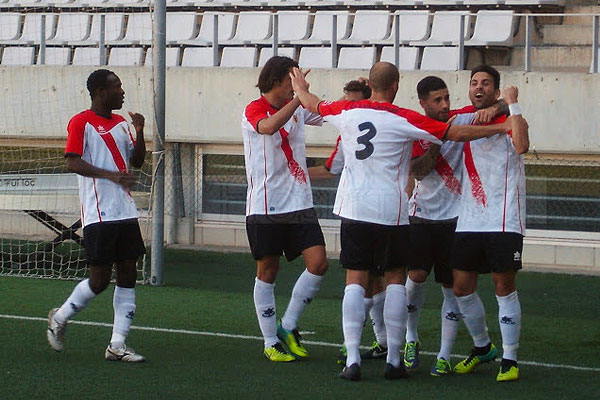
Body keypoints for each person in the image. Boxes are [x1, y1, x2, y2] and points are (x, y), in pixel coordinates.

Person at [290, 62, 518, 381]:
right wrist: (499, 127)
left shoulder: (347, 110)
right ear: (396, 86)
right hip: (392, 210)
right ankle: (395, 359)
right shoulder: (404, 118)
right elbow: (456, 132)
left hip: (354, 208)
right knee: (396, 278)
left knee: (355, 279)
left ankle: (352, 358)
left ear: (370, 84)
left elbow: (312, 103)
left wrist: (299, 87)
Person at [403, 76, 508, 376]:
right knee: (416, 275)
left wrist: (495, 106)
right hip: (421, 214)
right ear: (423, 103)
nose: (444, 105)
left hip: (456, 218)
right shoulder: (414, 128)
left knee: (451, 287)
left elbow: (500, 106)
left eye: (447, 98)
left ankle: (444, 355)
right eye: (437, 100)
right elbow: (419, 170)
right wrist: (440, 138)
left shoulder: (460, 119)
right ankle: (411, 338)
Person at [47, 69, 147, 362]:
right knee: (100, 280)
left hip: (125, 211)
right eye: (117, 87)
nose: (123, 91)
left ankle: (117, 344)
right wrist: (111, 176)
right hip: (99, 213)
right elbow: (72, 162)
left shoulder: (120, 123)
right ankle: (60, 317)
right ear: (101, 92)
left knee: (129, 273)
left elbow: (137, 162)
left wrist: (139, 132)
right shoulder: (81, 122)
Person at [242, 56, 329, 362]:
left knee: (319, 263)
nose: (294, 89)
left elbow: (325, 112)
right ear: (277, 81)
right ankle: (269, 342)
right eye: (290, 82)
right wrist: (298, 99)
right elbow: (268, 126)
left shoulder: (297, 106)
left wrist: (358, 100)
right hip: (266, 205)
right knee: (267, 270)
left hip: (300, 201)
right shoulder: (254, 108)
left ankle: (288, 326)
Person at [450, 65, 529, 382]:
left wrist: (511, 105)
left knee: (503, 287)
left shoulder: (512, 117)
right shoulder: (464, 117)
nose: (478, 87)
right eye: (473, 83)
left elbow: (521, 145)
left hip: (503, 217)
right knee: (461, 288)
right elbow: (446, 126)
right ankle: (483, 346)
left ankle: (509, 358)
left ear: (496, 91)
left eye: (485, 83)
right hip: (469, 217)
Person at [307, 80, 388, 363]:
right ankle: (383, 344)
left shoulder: (357, 126)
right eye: (346, 99)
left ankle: (356, 347)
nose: (348, 105)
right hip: (375, 210)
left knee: (372, 280)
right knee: (376, 280)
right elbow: (332, 168)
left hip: (369, 210)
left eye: (352, 100)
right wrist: (296, 173)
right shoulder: (381, 122)